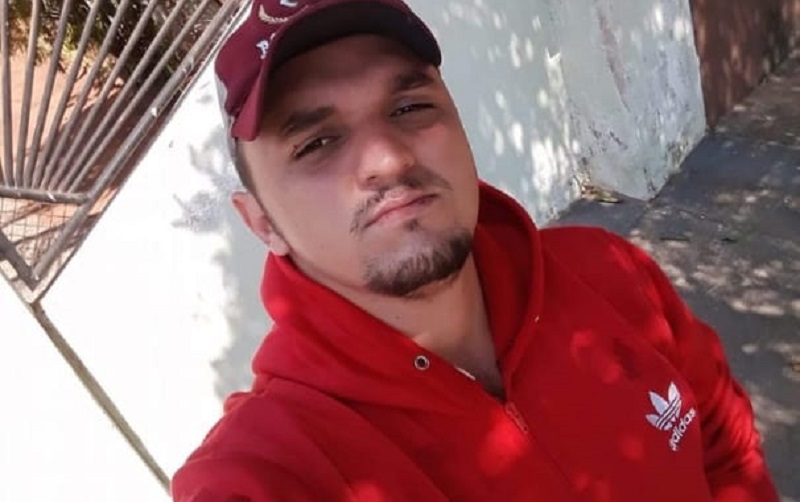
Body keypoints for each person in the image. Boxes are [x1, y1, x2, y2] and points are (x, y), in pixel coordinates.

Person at [172, 0, 779, 500]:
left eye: (409, 107)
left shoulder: (609, 271)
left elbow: (725, 444)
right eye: (316, 143)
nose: (388, 158)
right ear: (262, 224)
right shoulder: (270, 468)